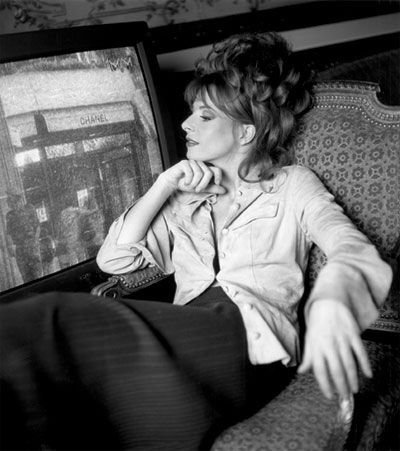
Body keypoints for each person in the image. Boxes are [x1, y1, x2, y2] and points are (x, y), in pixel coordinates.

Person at [0, 32, 392, 451]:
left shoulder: (291, 185)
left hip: (251, 341)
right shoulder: (182, 196)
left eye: (204, 117)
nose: (186, 124)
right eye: (192, 113)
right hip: (189, 335)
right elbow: (114, 261)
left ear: (246, 132)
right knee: (68, 408)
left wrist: (332, 298)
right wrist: (163, 185)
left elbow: (352, 248)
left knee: (47, 321)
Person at [5, 190, 42, 283]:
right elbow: (9, 233)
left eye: (14, 202)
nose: (13, 205)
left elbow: (37, 226)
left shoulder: (29, 208)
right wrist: (10, 246)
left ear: (19, 200)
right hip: (20, 248)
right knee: (26, 277)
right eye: (10, 203)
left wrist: (35, 241)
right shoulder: (10, 215)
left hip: (31, 245)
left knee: (37, 274)